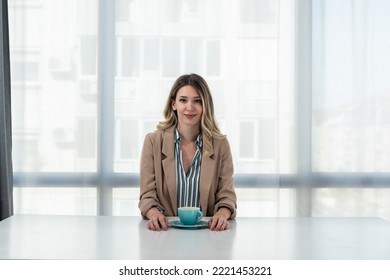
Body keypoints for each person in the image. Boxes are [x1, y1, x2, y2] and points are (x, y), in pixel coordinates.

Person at [139, 73, 237, 231]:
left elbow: (227, 196)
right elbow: (147, 195)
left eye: (197, 101)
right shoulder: (153, 142)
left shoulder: (221, 145)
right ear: (173, 104)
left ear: (205, 105)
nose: (190, 107)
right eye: (183, 100)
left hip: (208, 234)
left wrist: (222, 214)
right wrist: (153, 213)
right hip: (165, 233)